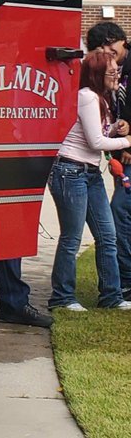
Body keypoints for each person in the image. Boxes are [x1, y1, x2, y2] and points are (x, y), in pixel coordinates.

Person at [46, 49, 131, 312]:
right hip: (70, 171)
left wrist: (117, 127)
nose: (116, 74)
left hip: (89, 173)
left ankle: (112, 296)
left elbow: (100, 133)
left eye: (117, 70)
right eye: (111, 71)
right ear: (96, 75)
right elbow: (96, 142)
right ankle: (62, 297)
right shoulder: (86, 97)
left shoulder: (101, 98)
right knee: (71, 238)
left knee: (108, 235)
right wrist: (127, 141)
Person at [86, 20, 131, 299]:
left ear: (119, 40)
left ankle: (125, 279)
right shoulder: (111, 69)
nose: (108, 57)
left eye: (109, 49)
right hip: (120, 153)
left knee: (120, 211)